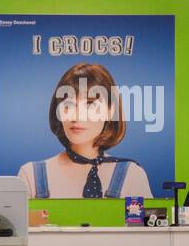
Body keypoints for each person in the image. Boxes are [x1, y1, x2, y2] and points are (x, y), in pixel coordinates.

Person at [18, 61, 152, 199]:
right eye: (68, 105)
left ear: (110, 111)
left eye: (89, 104)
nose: (76, 116)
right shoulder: (31, 176)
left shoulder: (132, 176)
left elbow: (145, 221)